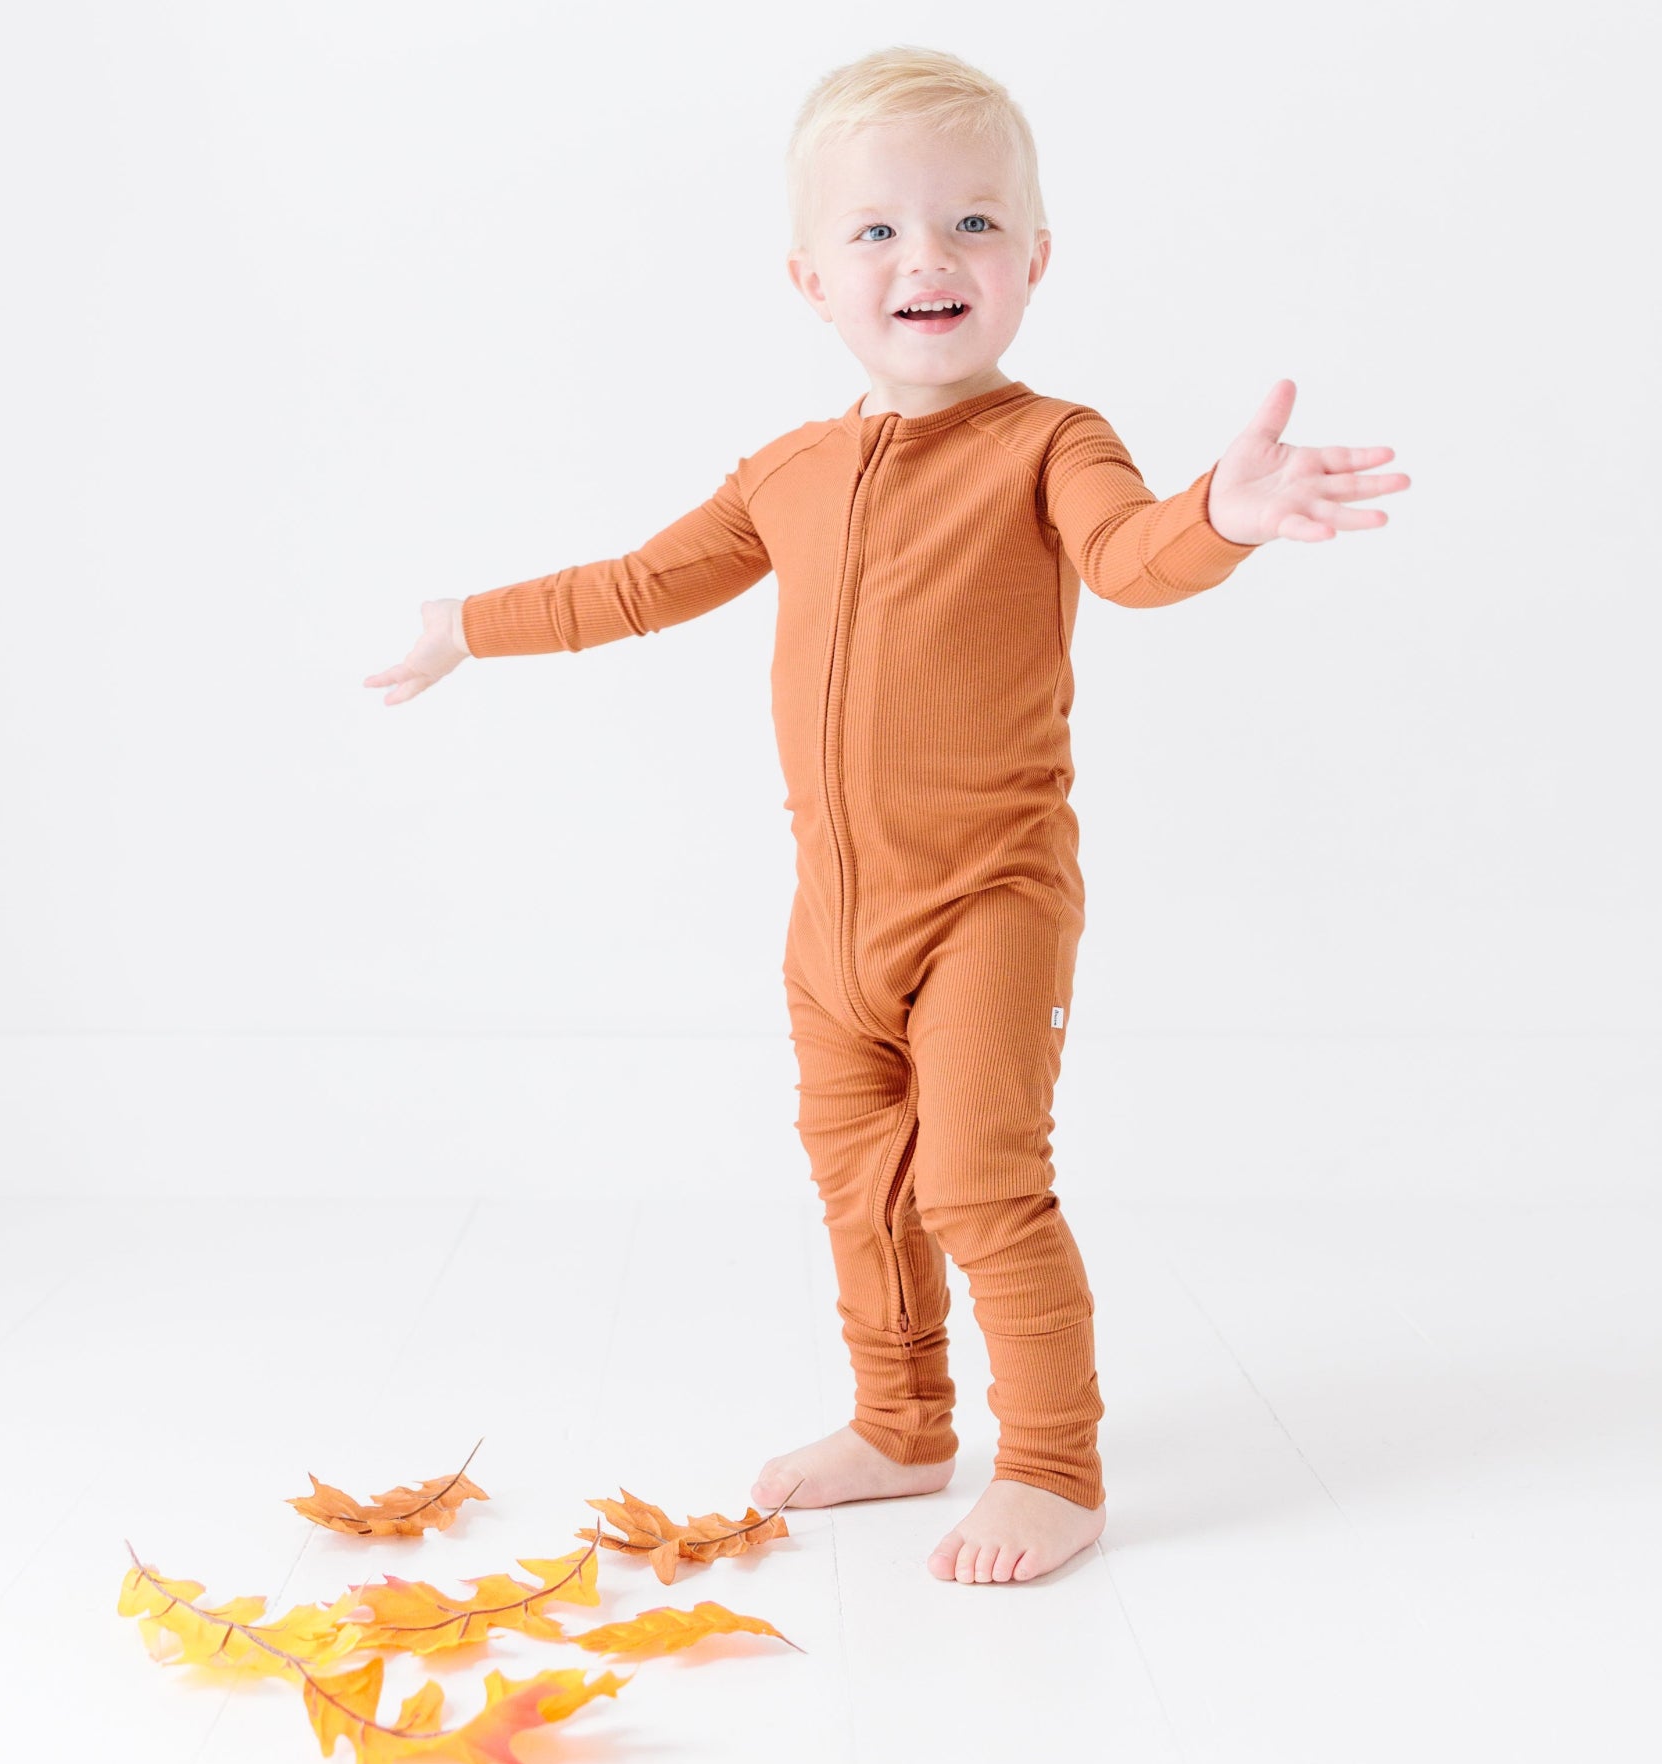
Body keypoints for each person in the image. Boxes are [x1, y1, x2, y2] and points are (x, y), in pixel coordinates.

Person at [363, 45, 1409, 1584]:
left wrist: (1218, 518)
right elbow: (639, 585)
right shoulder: (788, 472)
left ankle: (1053, 1467)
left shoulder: (1051, 445)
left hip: (989, 896)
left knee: (981, 1182)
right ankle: (902, 1421)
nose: (929, 258)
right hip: (831, 923)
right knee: (859, 1184)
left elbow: (1126, 556)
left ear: (1034, 260)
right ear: (810, 278)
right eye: (878, 233)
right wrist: (467, 619)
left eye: (975, 226)